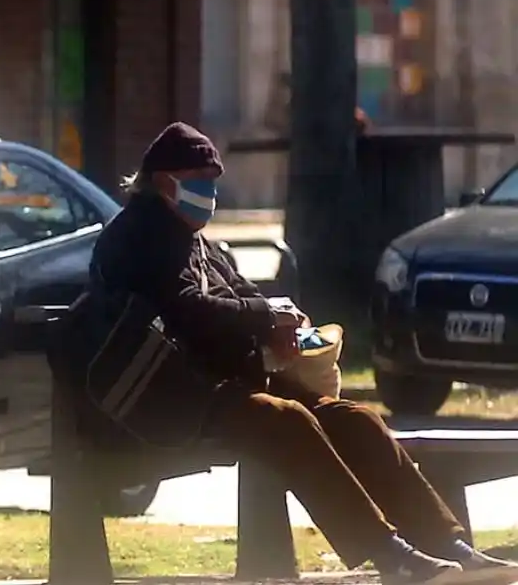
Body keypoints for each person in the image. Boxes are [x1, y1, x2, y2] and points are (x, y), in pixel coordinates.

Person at [89, 122, 518, 585]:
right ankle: (391, 553)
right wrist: (262, 319)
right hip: (170, 397)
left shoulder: (188, 234)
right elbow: (186, 307)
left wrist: (281, 320)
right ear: (163, 181)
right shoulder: (141, 234)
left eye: (212, 181)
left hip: (221, 385)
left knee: (354, 418)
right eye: (199, 180)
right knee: (285, 420)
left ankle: (447, 545)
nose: (209, 192)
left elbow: (238, 292)